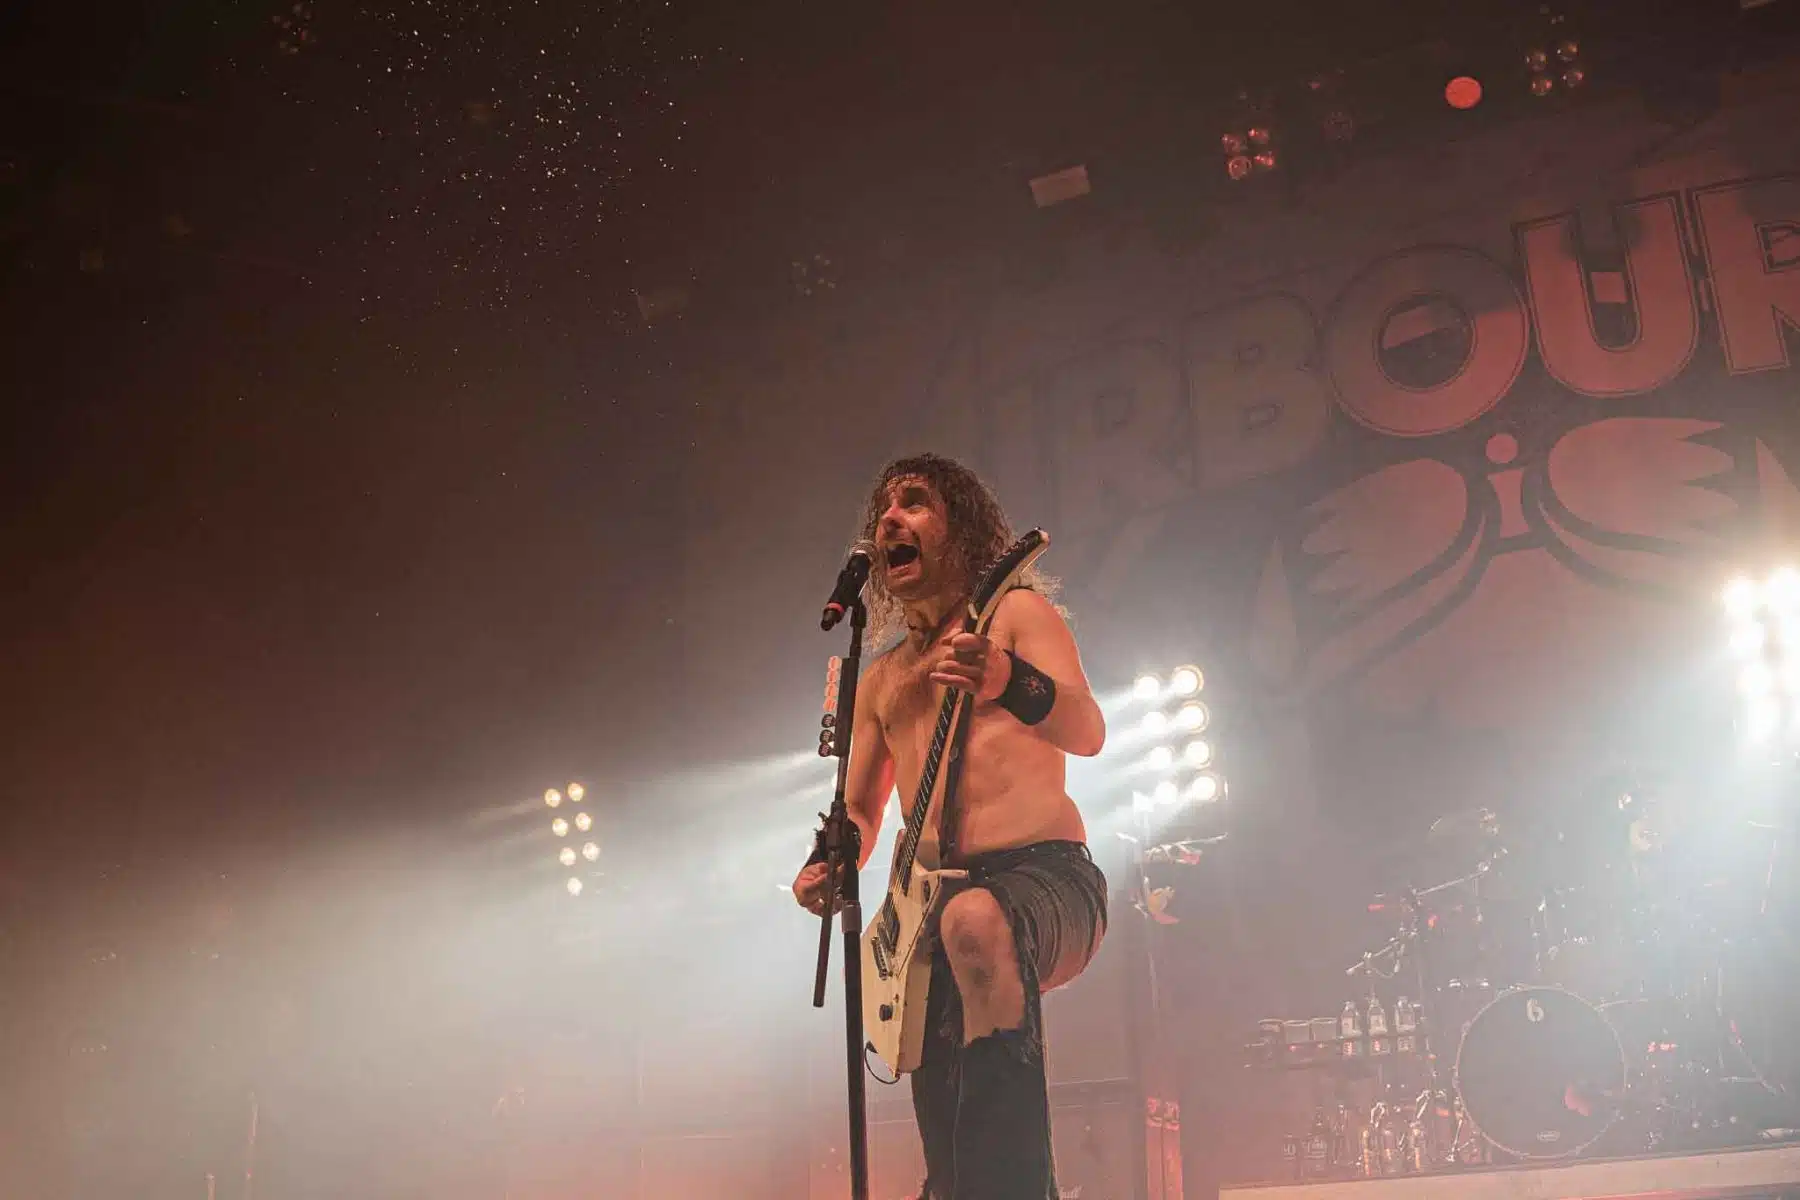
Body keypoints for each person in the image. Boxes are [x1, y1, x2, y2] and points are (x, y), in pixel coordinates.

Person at [790, 453, 1109, 1200]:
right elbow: (861, 809)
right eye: (883, 509)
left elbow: (1088, 730)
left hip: (1047, 877)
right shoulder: (881, 679)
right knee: (945, 1115)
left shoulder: (1016, 616)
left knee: (974, 921)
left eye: (914, 502)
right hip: (930, 909)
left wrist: (1007, 679)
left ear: (960, 529)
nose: (889, 520)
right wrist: (830, 862)